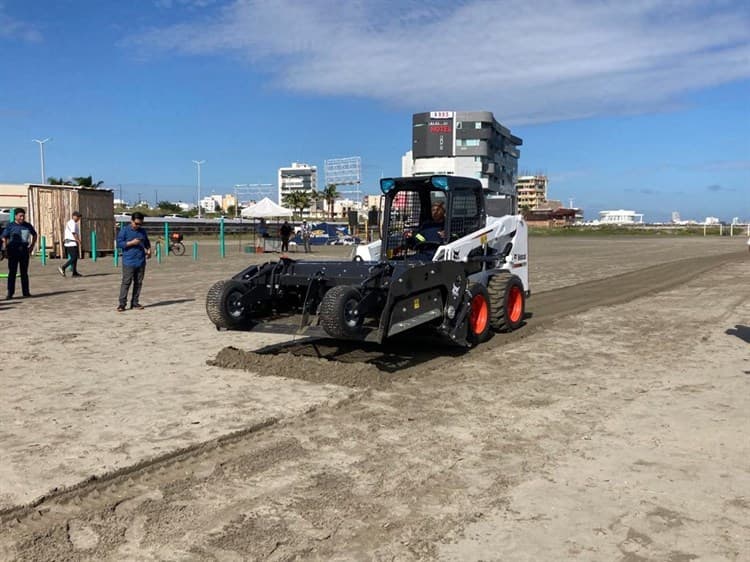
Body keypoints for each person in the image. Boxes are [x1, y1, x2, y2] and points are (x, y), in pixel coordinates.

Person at [116, 212, 151, 311]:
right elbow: (119, 244)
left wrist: (149, 250)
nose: (138, 226)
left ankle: (135, 302)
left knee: (138, 282)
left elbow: (146, 242)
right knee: (126, 282)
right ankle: (122, 304)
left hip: (140, 260)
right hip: (129, 260)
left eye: (140, 224)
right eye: (136, 223)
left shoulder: (142, 231)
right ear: (131, 221)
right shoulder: (124, 231)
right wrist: (131, 243)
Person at [1, 208, 37, 299]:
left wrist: (32, 246)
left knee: (24, 272)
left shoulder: (27, 225)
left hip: (24, 251)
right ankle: (10, 293)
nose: (22, 218)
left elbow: (35, 234)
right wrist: (5, 249)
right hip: (13, 251)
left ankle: (26, 292)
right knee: (12, 272)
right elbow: (4, 237)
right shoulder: (10, 226)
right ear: (16, 216)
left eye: (23, 216)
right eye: (20, 216)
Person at [58, 211, 83, 277]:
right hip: (71, 243)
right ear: (74, 216)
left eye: (79, 217)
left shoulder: (71, 223)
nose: (78, 219)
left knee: (75, 258)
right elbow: (73, 233)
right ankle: (63, 267)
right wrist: (78, 241)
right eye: (77, 217)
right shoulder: (72, 223)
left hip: (70, 242)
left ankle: (74, 272)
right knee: (74, 257)